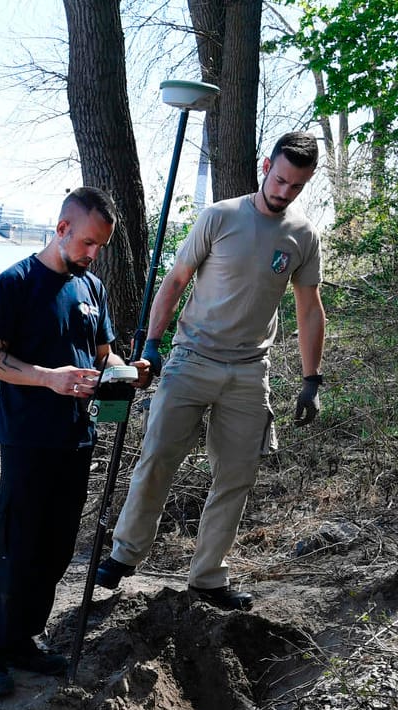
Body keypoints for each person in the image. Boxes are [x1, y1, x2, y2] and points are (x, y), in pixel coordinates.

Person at [96, 131, 326, 611]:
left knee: (236, 476)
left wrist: (311, 380)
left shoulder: (302, 236)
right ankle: (124, 555)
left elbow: (309, 309)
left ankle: (207, 578)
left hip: (248, 371)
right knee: (157, 457)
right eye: (280, 180)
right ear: (266, 167)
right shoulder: (220, 216)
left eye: (296, 186)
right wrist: (153, 345)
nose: (284, 192)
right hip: (191, 359)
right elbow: (176, 280)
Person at [0, 187, 119, 697]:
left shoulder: (92, 288)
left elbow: (103, 356)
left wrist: (127, 374)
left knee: (55, 550)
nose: (92, 253)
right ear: (61, 229)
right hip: (28, 439)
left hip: (76, 439)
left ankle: (24, 642)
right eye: (87, 243)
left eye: (100, 246)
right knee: (17, 547)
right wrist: (50, 378)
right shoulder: (14, 283)